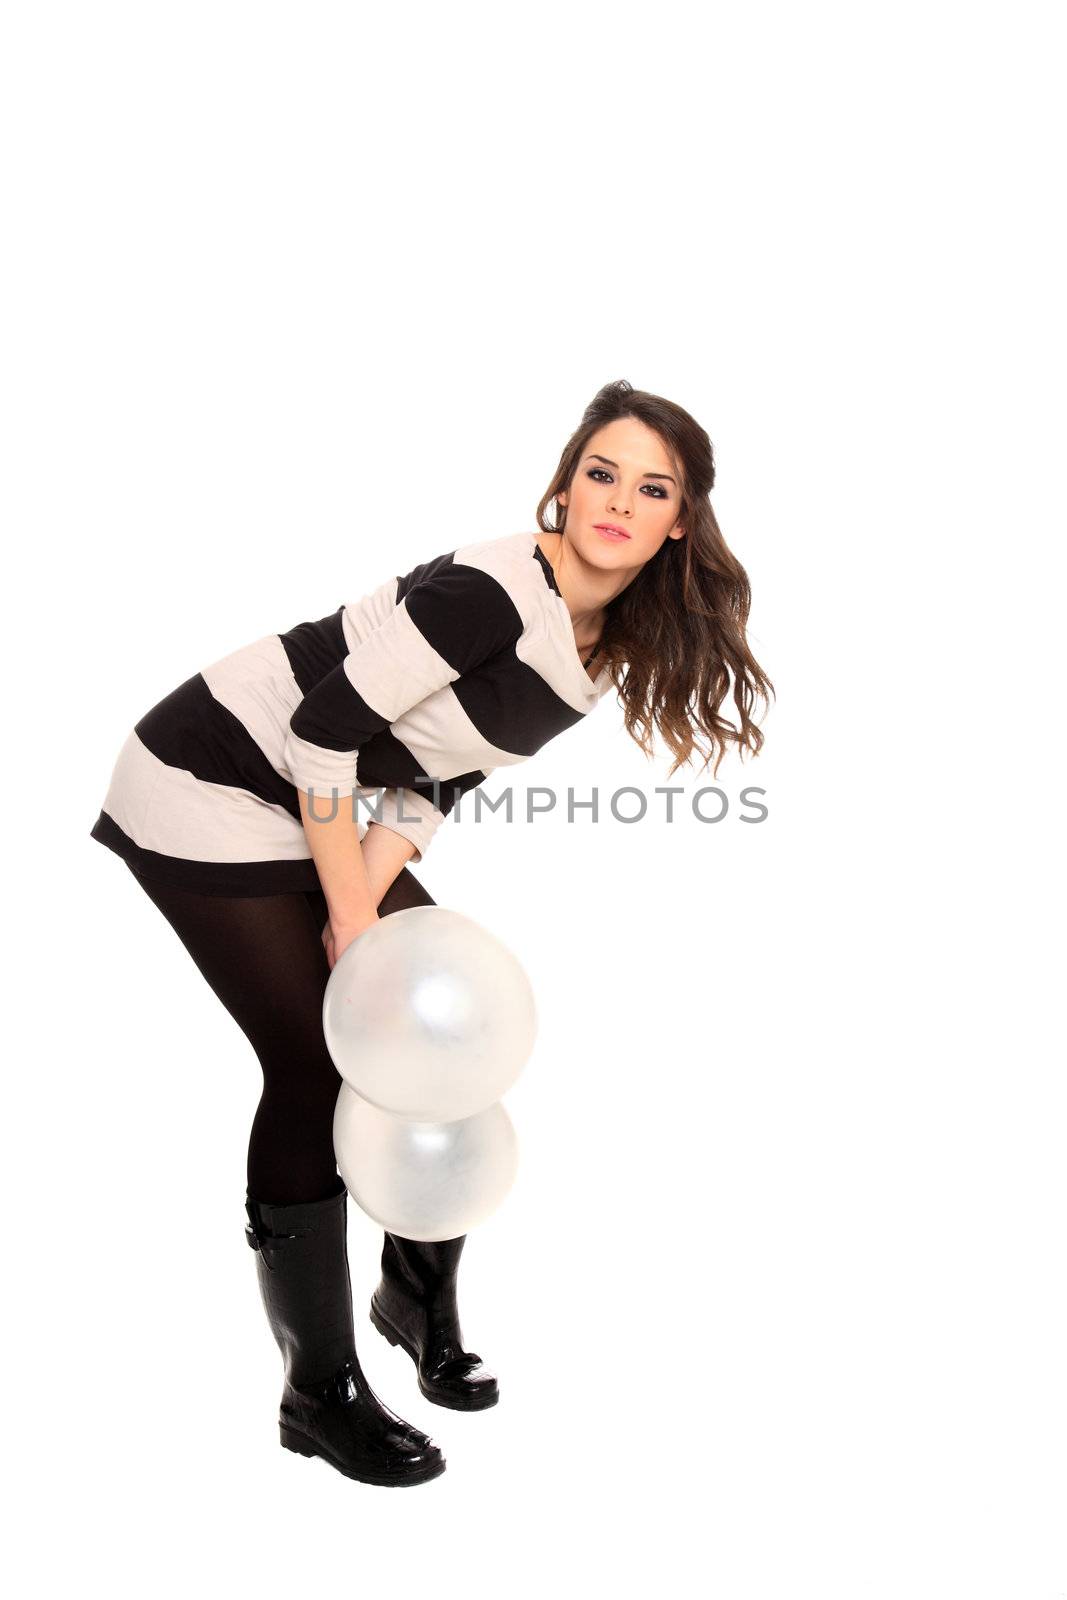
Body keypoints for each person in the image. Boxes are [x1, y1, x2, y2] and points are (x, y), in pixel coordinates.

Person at [88, 378, 774, 1488]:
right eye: (599, 471)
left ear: (678, 521)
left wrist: (364, 916)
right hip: (208, 773)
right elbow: (322, 732)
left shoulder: (600, 644)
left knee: (425, 1035)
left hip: (304, 792)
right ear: (564, 483)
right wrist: (350, 917)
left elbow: (435, 779)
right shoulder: (495, 594)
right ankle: (317, 1394)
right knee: (318, 1062)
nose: (616, 500)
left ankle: (412, 1297)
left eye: (650, 487)